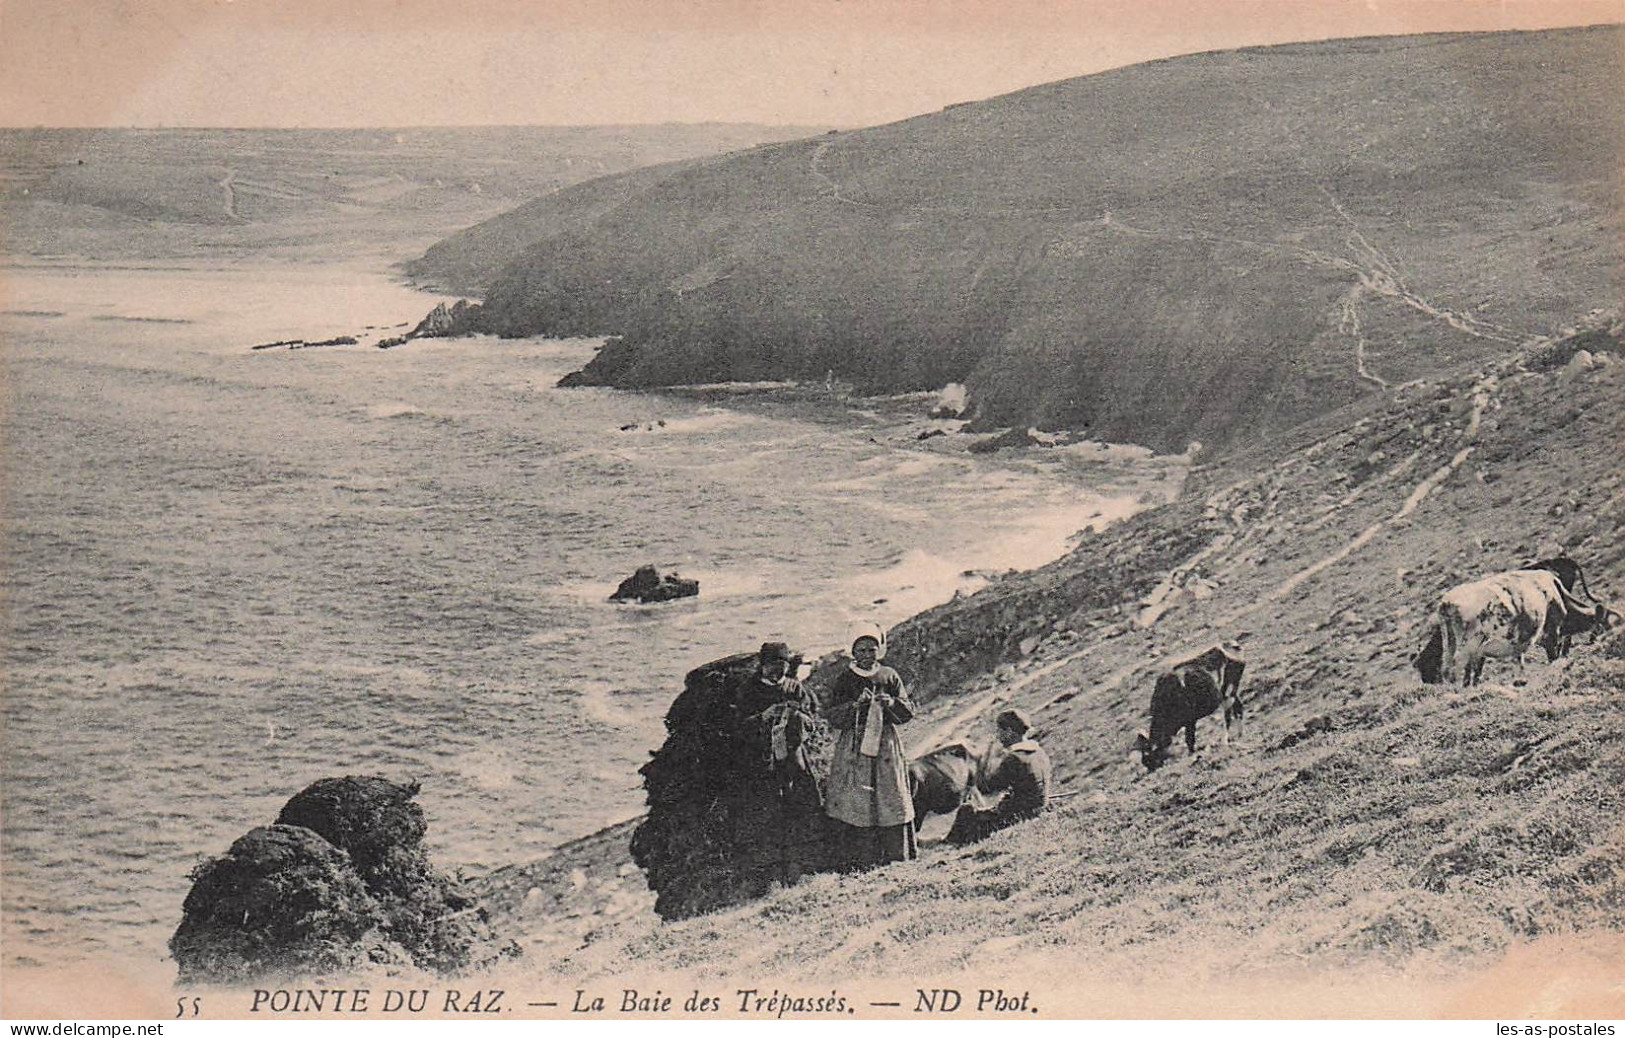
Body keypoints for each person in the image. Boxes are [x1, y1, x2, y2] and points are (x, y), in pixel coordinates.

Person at [824, 624, 916, 870]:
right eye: (861, 650)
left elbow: (908, 711)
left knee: (889, 796)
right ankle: (862, 859)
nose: (867, 655)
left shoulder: (889, 675)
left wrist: (892, 702)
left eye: (871, 649)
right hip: (855, 747)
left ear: (880, 650)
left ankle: (895, 856)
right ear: (853, 651)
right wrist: (854, 706)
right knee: (859, 801)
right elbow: (832, 715)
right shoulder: (845, 679)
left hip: (885, 745)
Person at [736, 642, 824, 889]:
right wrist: (764, 718)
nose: (777, 673)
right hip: (763, 761)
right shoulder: (749, 691)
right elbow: (739, 727)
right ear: (762, 667)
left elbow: (813, 718)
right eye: (772, 667)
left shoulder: (795, 688)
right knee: (769, 811)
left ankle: (801, 864)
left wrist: (798, 717)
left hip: (793, 758)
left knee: (801, 803)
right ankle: (772, 871)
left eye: (782, 668)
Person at [946, 708, 1052, 845]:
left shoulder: (1014, 758)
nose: (998, 736)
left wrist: (978, 761)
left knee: (966, 811)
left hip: (1019, 816)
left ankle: (949, 843)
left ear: (1009, 732)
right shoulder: (1038, 752)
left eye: (999, 731)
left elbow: (986, 789)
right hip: (1038, 809)